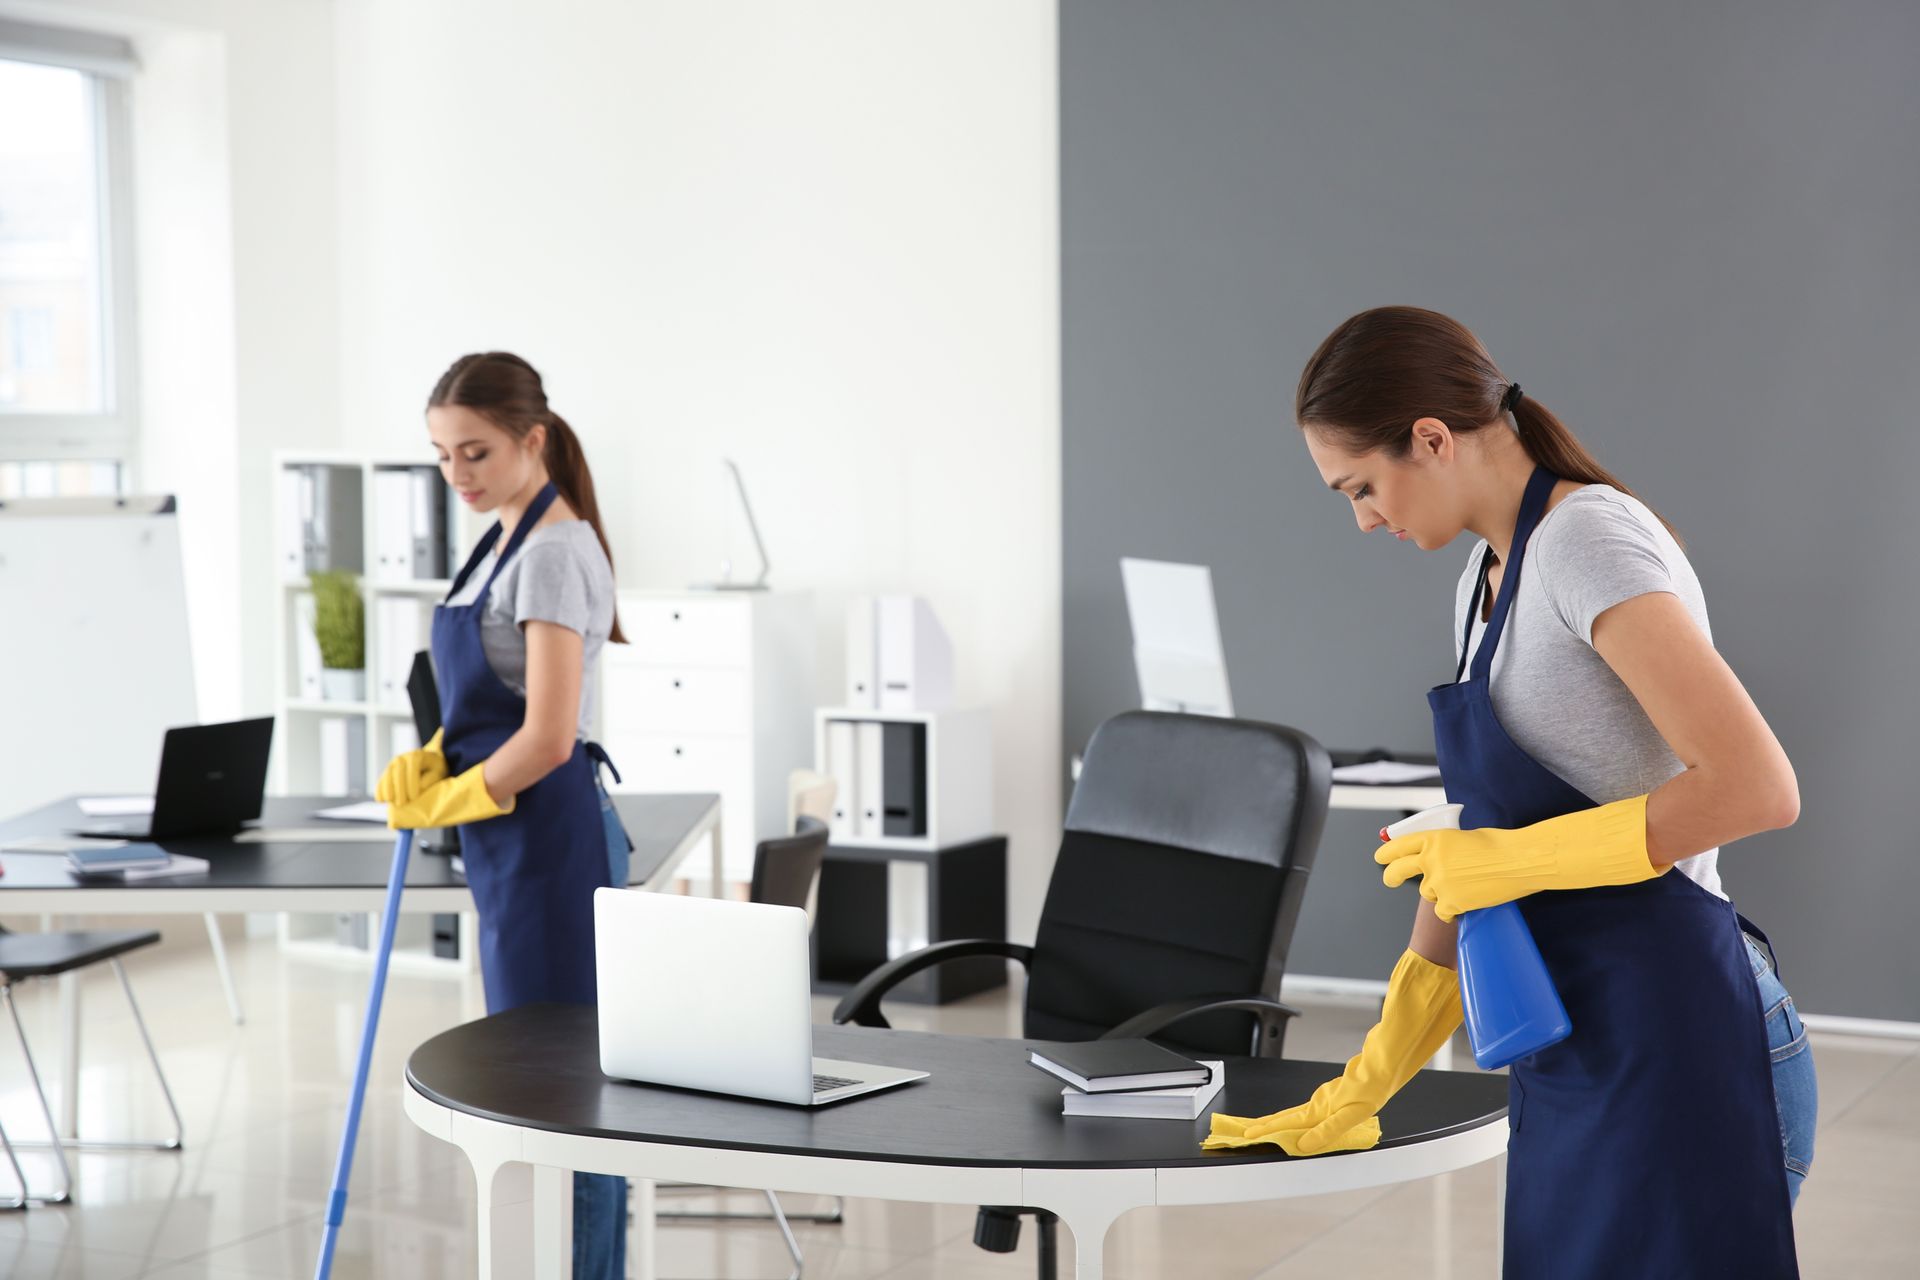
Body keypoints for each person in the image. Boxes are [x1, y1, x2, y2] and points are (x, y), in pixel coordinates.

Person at [1206, 307, 1814, 1277]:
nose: (1363, 517)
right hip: (1575, 1041)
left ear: (1432, 438)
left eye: (1361, 485)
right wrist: (1369, 1080)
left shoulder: (1588, 542)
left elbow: (1755, 787)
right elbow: (1479, 850)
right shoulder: (1485, 579)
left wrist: (1508, 857)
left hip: (1681, 1038)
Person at [375, 351, 630, 1280]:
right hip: (507, 838)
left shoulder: (556, 551)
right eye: (442, 456)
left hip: (549, 838)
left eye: (475, 453)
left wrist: (454, 794)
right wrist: (439, 754)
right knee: (538, 1082)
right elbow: (492, 698)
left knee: (571, 1096)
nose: (458, 476)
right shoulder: (502, 540)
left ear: (533, 440)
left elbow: (551, 736)